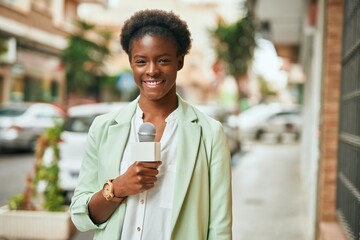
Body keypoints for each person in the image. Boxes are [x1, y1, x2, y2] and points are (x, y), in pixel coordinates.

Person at [70, 9, 232, 240]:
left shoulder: (209, 133)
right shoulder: (103, 127)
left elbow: (220, 227)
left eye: (163, 60)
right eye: (141, 61)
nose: (152, 70)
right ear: (131, 63)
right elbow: (80, 216)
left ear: (180, 61)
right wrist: (118, 188)